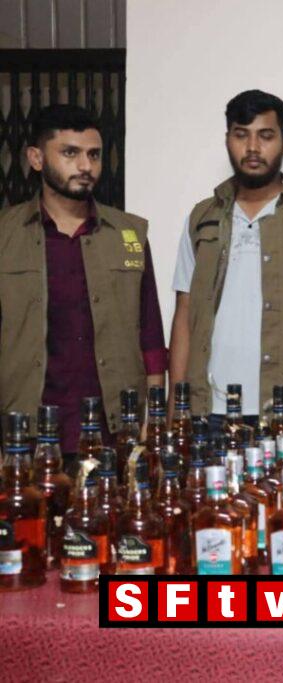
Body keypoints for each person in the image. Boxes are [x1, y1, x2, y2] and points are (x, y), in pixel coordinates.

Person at [0, 104, 166, 464]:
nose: (85, 166)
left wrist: (153, 415)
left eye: (94, 155)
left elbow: (151, 333)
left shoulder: (129, 233)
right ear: (36, 158)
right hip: (27, 430)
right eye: (70, 153)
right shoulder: (5, 236)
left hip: (114, 428)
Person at [169, 90, 283, 432]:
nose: (253, 148)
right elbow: (184, 315)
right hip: (207, 413)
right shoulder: (202, 217)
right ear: (227, 140)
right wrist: (176, 407)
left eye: (266, 136)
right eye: (241, 135)